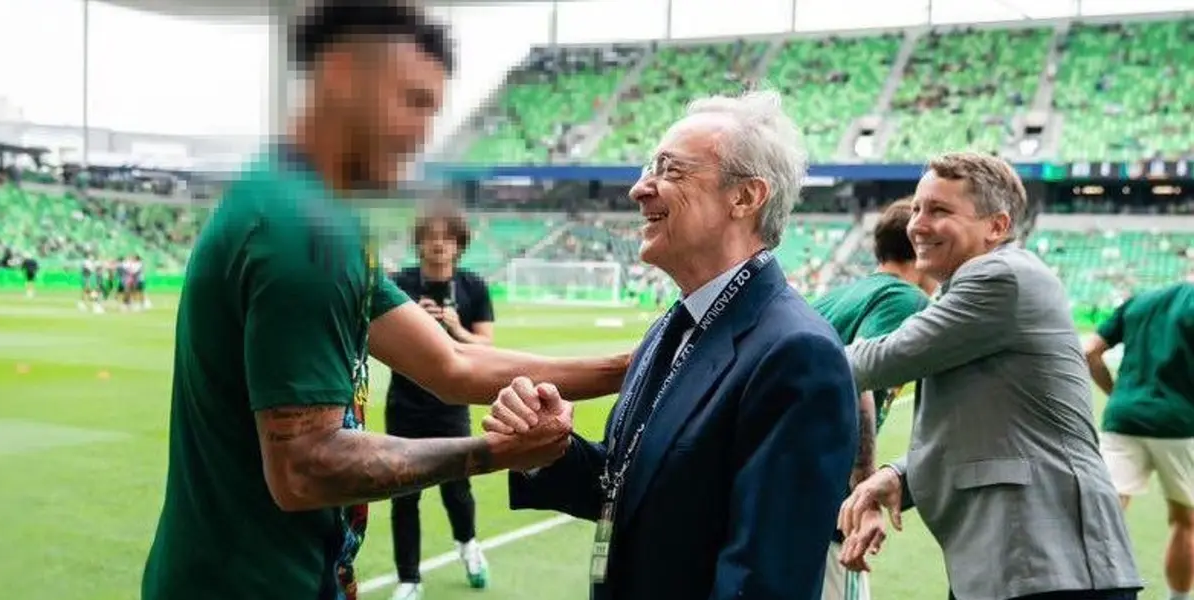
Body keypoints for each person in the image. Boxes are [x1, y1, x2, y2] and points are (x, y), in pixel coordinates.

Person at [140, 4, 630, 600]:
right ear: (344, 76)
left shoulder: (311, 213)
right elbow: (303, 468)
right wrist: (496, 451)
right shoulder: (300, 230)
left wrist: (631, 366)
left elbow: (453, 366)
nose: (422, 132)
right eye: (413, 101)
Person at [485, 90, 859, 600]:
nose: (639, 189)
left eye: (671, 170)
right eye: (649, 168)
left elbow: (762, 583)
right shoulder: (676, 325)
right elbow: (628, 486)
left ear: (745, 197)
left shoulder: (797, 355)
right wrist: (546, 450)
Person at [836, 152, 1141, 600]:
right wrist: (898, 474)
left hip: (1049, 563)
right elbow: (985, 423)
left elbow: (881, 359)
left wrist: (778, 348)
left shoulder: (1001, 278)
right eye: (917, 208)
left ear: (996, 226)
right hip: (1015, 565)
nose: (917, 225)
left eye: (939, 210)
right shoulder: (976, 285)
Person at [810, 198, 935, 600]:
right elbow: (856, 373)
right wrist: (863, 497)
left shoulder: (839, 298)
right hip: (822, 493)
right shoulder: (904, 298)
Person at [386, 208, 495, 600]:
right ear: (418, 242)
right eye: (430, 236)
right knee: (403, 493)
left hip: (450, 405)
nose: (437, 244)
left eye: (447, 237)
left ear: (458, 245)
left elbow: (486, 345)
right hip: (404, 404)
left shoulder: (473, 287)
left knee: (456, 487)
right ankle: (409, 579)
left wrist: (454, 329)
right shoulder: (398, 284)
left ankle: (468, 544)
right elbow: (380, 336)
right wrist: (412, 321)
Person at [1085, 278, 1194, 600]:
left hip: (1123, 417)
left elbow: (1089, 350)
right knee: (1185, 521)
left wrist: (1117, 394)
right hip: (1180, 424)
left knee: (1105, 513)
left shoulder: (1141, 300)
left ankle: (1091, 592)